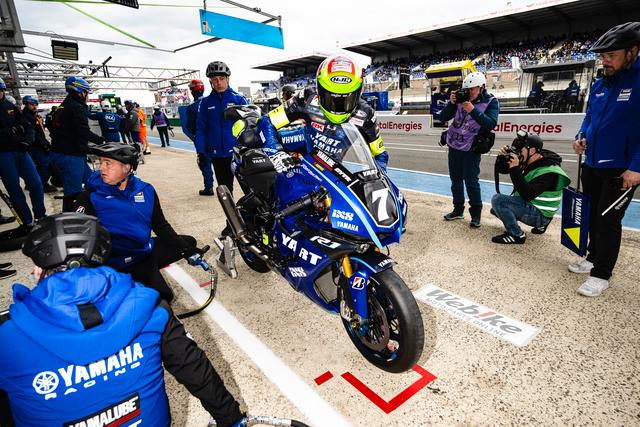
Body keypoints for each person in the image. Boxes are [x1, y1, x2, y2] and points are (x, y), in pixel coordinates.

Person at [0, 213, 245, 427]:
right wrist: (231, 419)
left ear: (38, 269)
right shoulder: (148, 305)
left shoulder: (8, 333)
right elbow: (194, 369)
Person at [233, 54, 389, 205]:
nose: (337, 106)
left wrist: (378, 184)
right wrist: (276, 153)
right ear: (320, 89)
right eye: (331, 98)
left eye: (345, 99)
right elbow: (267, 121)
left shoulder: (366, 113)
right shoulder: (308, 97)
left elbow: (380, 154)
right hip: (303, 151)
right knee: (251, 139)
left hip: (333, 169)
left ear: (358, 92)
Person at [69, 142, 200, 303]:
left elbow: (160, 226)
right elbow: (74, 234)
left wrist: (187, 251)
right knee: (162, 299)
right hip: (116, 262)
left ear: (127, 167)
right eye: (101, 162)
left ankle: (149, 271)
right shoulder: (90, 195)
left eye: (108, 163)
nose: (101, 168)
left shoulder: (146, 190)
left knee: (189, 243)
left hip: (143, 252)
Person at [570, 22, 640, 297]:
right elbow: (589, 119)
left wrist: (637, 167)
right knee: (592, 215)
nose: (605, 61)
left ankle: (601, 274)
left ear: (632, 51)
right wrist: (580, 137)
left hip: (622, 170)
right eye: (603, 56)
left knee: (608, 220)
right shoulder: (601, 83)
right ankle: (593, 257)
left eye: (611, 55)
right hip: (592, 164)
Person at [439, 71, 499, 228]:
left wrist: (472, 110)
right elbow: (442, 117)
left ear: (481, 87)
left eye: (472, 89)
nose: (469, 92)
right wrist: (452, 103)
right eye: (467, 89)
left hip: (472, 147)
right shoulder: (460, 98)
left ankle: (476, 215)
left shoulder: (491, 101)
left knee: (471, 181)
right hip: (454, 145)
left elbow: (491, 124)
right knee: (455, 180)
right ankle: (458, 210)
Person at [490, 132, 570, 244]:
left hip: (541, 214)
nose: (517, 153)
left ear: (531, 151)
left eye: (520, 150)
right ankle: (541, 226)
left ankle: (517, 235)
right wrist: (502, 158)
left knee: (498, 201)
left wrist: (515, 169)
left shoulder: (548, 171)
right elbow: (503, 170)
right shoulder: (532, 159)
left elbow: (527, 195)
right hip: (534, 205)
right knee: (495, 210)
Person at [49, 76, 105, 210]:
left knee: (93, 181)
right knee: (73, 193)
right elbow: (83, 131)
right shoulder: (77, 107)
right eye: (86, 92)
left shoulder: (63, 105)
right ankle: (71, 219)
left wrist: (85, 148)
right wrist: (102, 141)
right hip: (70, 156)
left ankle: (93, 209)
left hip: (71, 153)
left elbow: (63, 130)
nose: (87, 96)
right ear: (81, 92)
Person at [196, 61, 248, 198]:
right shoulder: (205, 103)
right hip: (218, 156)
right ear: (210, 82)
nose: (219, 83)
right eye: (215, 79)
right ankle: (231, 213)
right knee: (225, 193)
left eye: (222, 78)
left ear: (228, 79)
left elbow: (251, 125)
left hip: (239, 154)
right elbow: (200, 129)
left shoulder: (239, 100)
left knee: (250, 190)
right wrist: (201, 152)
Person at [0, 78, 46, 227]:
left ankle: (40, 216)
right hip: (3, 155)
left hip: (21, 151)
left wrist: (28, 140)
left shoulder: (11, 107)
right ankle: (27, 222)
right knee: (15, 190)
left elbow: (28, 126)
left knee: (36, 183)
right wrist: (8, 131)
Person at [21, 96, 56, 193]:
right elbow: (35, 134)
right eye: (32, 104)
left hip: (36, 145)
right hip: (36, 146)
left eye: (36, 104)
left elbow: (39, 132)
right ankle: (42, 185)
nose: (34, 106)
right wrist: (44, 145)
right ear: (26, 104)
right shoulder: (27, 117)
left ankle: (31, 183)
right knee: (46, 165)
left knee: (35, 166)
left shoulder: (32, 115)